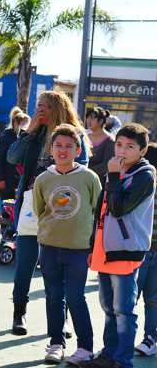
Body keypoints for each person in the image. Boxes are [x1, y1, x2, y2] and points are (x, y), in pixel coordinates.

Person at [7, 91, 89, 336]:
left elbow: (81, 167)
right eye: (37, 106)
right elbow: (12, 157)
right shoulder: (36, 133)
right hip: (31, 205)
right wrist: (31, 128)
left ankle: (60, 320)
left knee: (57, 268)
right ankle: (18, 313)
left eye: (44, 106)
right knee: (24, 265)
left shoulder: (74, 135)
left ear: (57, 108)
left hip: (62, 206)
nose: (39, 110)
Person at [81, 123, 156, 368]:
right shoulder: (116, 171)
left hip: (126, 250)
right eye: (119, 144)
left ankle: (122, 361)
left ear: (142, 151)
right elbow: (101, 212)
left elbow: (119, 207)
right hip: (106, 249)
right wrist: (93, 247)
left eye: (130, 147)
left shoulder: (145, 175)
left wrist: (113, 175)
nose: (122, 151)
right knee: (108, 307)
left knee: (124, 309)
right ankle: (109, 355)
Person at [32, 124, 102, 364]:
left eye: (69, 146)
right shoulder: (42, 179)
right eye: (58, 145)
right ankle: (55, 343)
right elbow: (39, 211)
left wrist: (94, 248)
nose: (63, 150)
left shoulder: (89, 177)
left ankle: (85, 346)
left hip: (79, 250)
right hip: (49, 247)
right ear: (51, 149)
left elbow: (97, 211)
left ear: (78, 149)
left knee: (75, 297)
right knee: (53, 297)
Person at [134, 143, 157, 357]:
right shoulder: (142, 186)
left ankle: (151, 338)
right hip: (139, 252)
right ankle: (120, 342)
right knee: (129, 299)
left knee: (153, 299)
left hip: (152, 253)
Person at [0, 107, 30, 200]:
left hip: (19, 179)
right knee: (7, 206)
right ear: (17, 123)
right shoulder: (7, 136)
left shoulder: (26, 137)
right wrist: (0, 178)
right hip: (8, 179)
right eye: (25, 124)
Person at [86, 107, 115, 181]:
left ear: (101, 121)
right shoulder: (84, 137)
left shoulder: (110, 141)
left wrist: (86, 172)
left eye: (92, 118)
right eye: (88, 117)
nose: (89, 120)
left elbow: (106, 165)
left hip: (99, 181)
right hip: (82, 179)